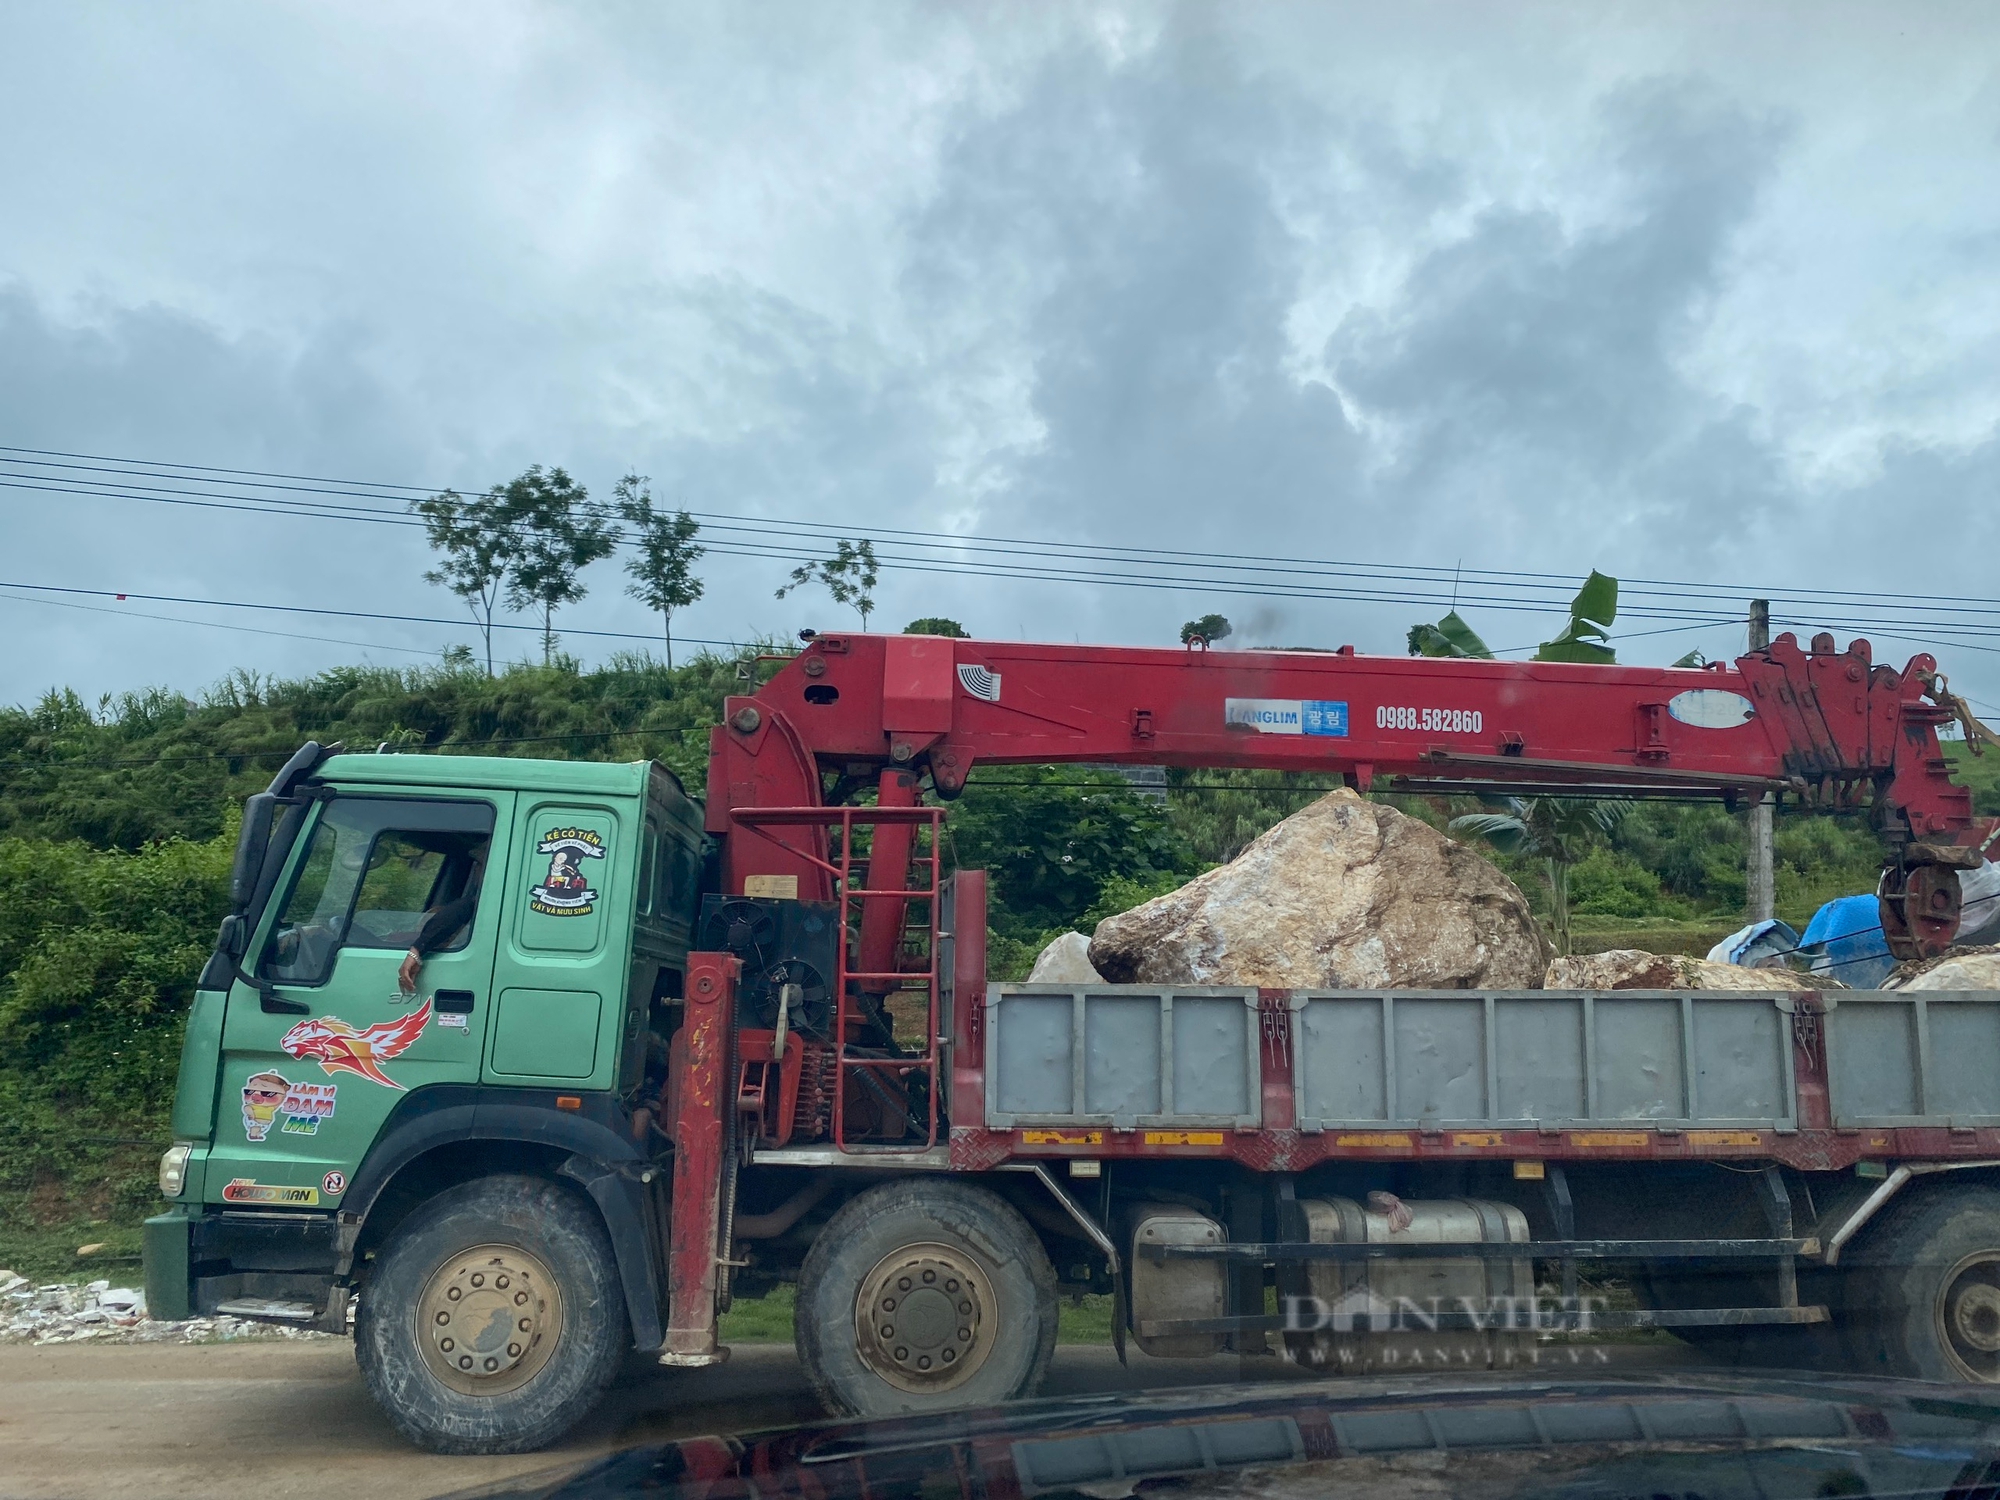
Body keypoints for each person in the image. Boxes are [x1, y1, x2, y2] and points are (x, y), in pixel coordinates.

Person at [398, 842, 488, 993]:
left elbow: (467, 906)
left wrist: (416, 950)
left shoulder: (487, 902)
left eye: (479, 864)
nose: (475, 870)